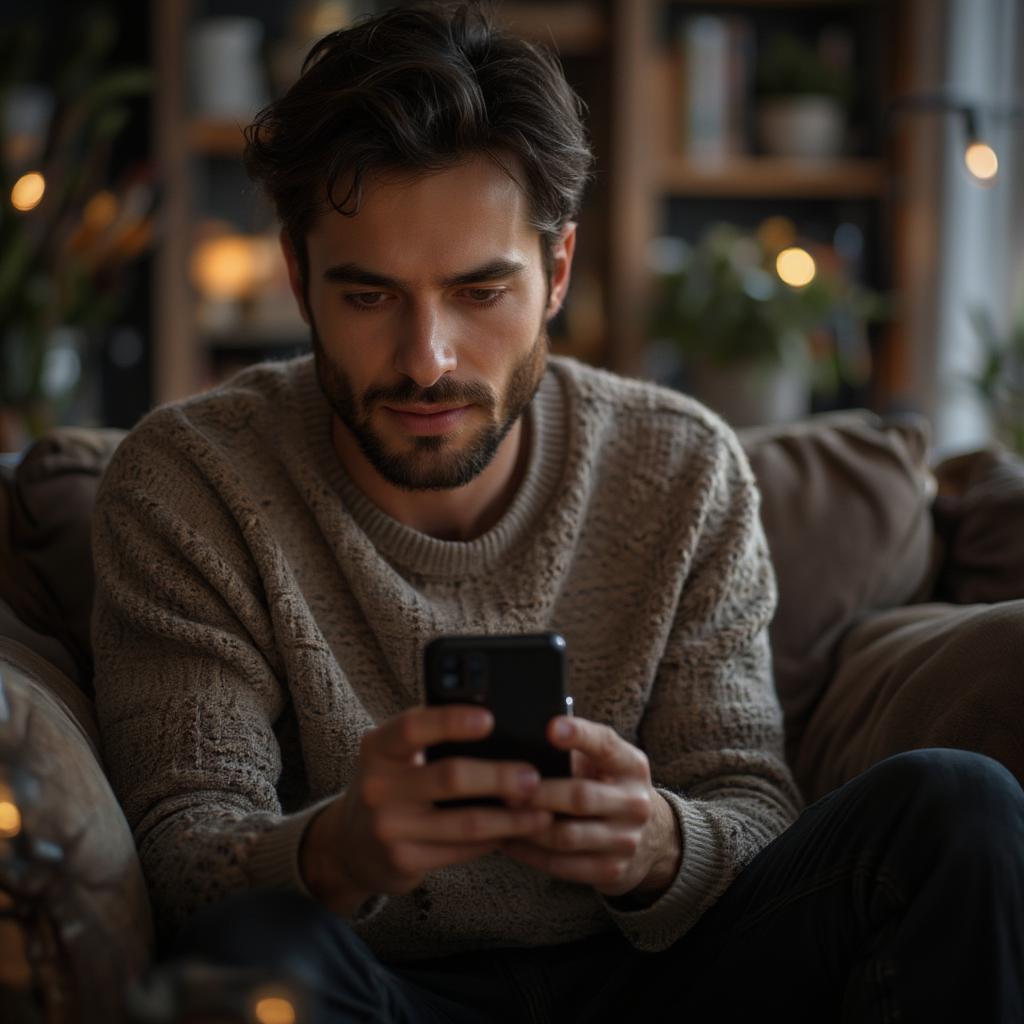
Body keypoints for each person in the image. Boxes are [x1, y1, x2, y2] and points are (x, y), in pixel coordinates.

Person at [92, 4, 1024, 1021]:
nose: (426, 358)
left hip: (665, 980)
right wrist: (340, 848)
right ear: (297, 275)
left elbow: (753, 807)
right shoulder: (190, 483)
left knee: (958, 807)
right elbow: (184, 859)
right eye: (368, 297)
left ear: (557, 273)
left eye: (479, 291)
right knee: (246, 954)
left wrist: (657, 844)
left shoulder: (682, 467)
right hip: (378, 990)